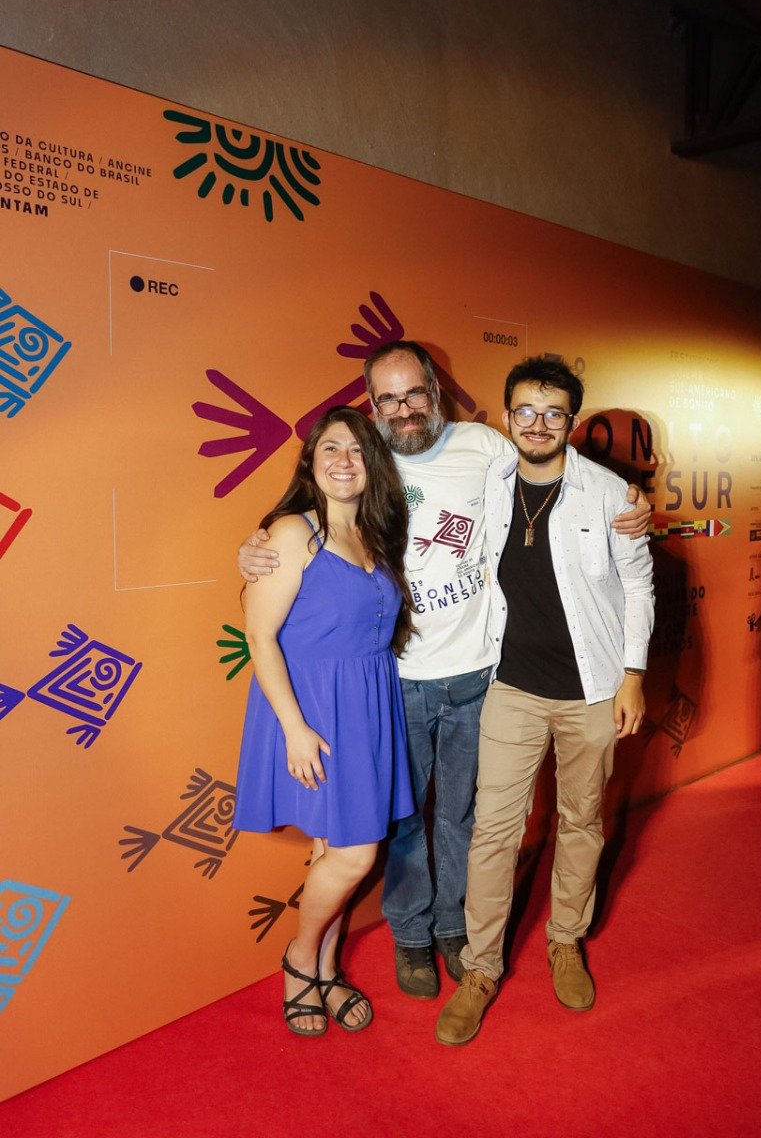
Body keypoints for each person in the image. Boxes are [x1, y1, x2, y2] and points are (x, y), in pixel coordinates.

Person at [238, 342, 651, 1000]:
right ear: (373, 406)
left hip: (479, 674)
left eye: (415, 393)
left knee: (462, 815)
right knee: (403, 821)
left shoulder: (483, 446)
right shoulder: (362, 459)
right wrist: (254, 546)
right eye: (388, 398)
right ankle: (410, 936)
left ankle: (455, 928)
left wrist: (625, 497)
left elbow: (551, 466)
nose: (404, 409)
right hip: (395, 682)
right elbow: (303, 527)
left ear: (436, 391)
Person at [435, 356, 654, 1046]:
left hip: (592, 690)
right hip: (512, 688)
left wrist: (634, 674)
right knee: (494, 832)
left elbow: (639, 587)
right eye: (525, 411)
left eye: (553, 412)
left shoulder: (611, 495)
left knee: (580, 821)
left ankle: (565, 939)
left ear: (571, 422)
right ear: (506, 417)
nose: (537, 424)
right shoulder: (489, 481)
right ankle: (481, 969)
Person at [234, 405, 415, 1036]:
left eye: (358, 450)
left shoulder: (375, 532)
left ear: (374, 464)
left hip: (367, 707)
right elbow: (259, 636)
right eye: (331, 448)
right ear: (310, 460)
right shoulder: (292, 532)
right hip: (312, 711)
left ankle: (327, 969)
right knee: (356, 856)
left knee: (332, 851)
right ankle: (300, 958)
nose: (345, 460)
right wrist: (294, 728)